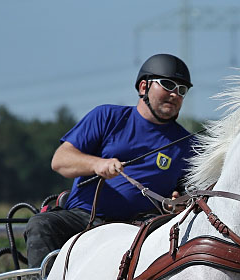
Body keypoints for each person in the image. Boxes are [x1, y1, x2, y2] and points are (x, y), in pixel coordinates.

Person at [24, 53, 196, 267]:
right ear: (144, 87)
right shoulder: (107, 117)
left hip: (142, 228)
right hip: (85, 218)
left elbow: (190, 194)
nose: (175, 94)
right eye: (168, 85)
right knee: (41, 224)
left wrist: (179, 203)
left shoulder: (188, 144)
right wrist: (98, 164)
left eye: (182, 90)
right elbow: (60, 160)